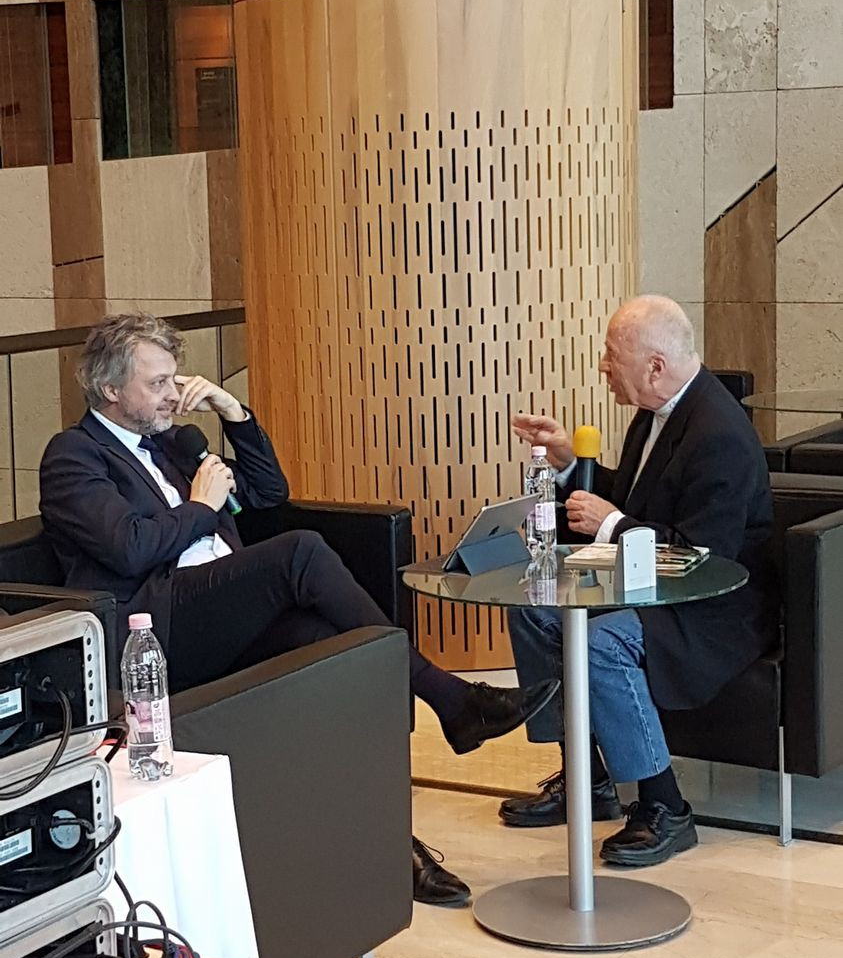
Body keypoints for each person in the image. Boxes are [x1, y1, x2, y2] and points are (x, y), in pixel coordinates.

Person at [39, 313, 558, 906]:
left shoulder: (173, 446)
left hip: (216, 616)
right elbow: (129, 548)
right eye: (157, 383)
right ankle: (451, 698)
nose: (171, 394)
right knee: (300, 552)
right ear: (110, 389)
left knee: (327, 647)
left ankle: (389, 845)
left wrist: (234, 413)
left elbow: (268, 493)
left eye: (173, 380)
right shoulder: (74, 456)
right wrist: (202, 507)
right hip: (155, 631)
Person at [502, 295, 778, 867]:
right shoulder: (658, 412)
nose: (603, 366)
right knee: (534, 607)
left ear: (655, 366)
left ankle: (665, 807)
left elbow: (701, 556)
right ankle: (587, 778)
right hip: (650, 584)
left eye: (611, 354)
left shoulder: (719, 433)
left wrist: (612, 524)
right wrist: (566, 463)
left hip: (712, 609)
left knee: (602, 643)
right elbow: (633, 499)